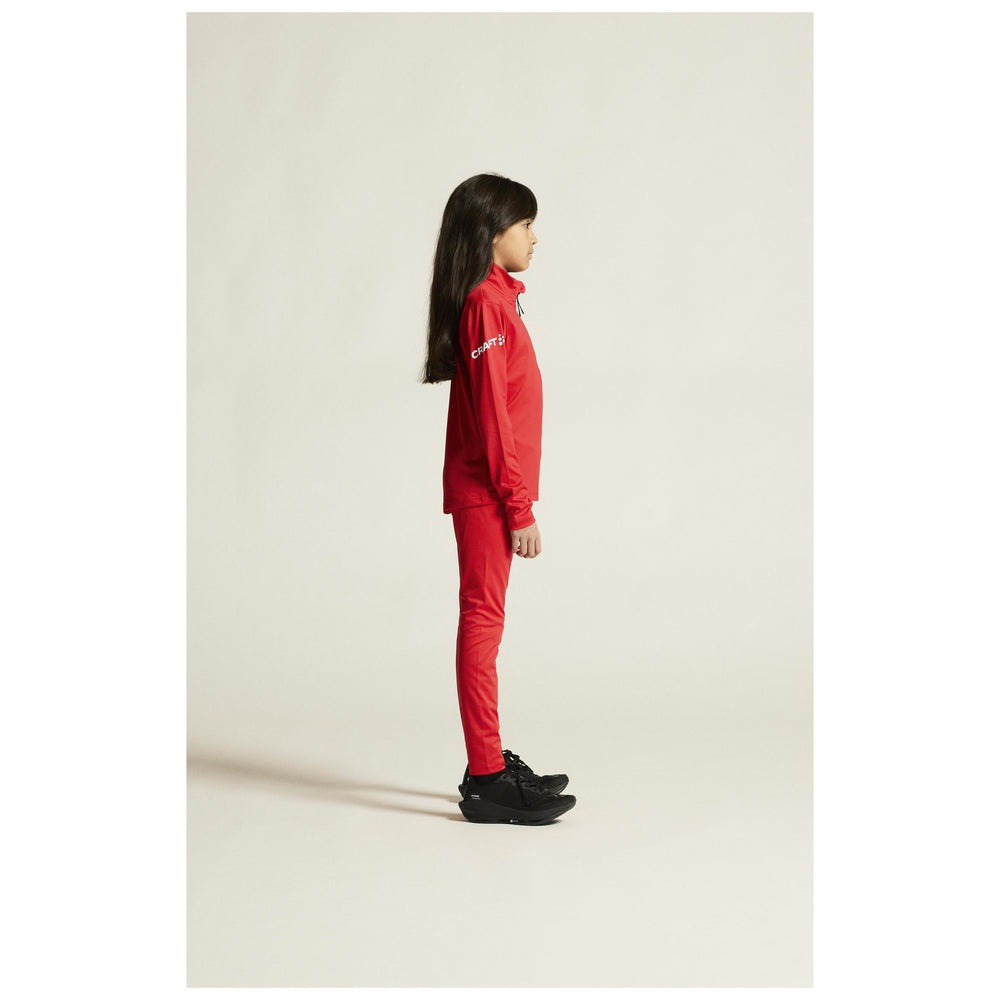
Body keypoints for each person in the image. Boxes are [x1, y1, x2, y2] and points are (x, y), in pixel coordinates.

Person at [421, 173, 576, 825]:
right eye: (525, 225)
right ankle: (486, 777)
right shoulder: (486, 303)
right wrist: (519, 508)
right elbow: (493, 418)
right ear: (492, 233)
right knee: (483, 622)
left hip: (490, 490)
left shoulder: (497, 300)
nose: (534, 238)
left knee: (485, 621)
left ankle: (485, 761)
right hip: (488, 493)